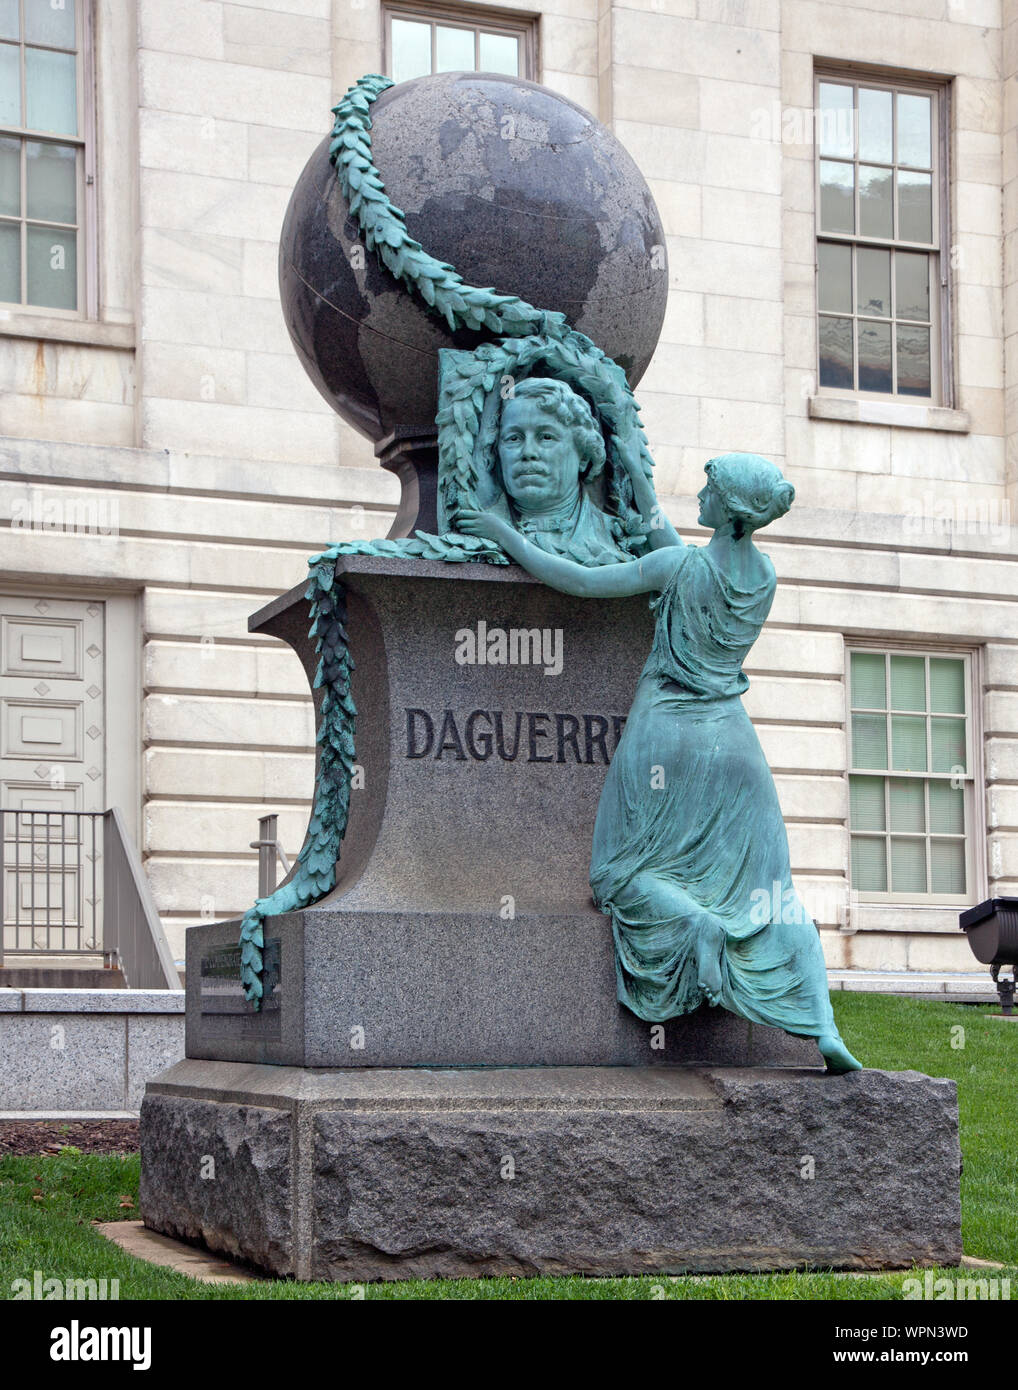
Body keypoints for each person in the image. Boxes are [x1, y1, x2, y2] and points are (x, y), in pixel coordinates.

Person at [459, 451, 862, 1073]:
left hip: (666, 736)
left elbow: (580, 580)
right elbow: (675, 546)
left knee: (620, 875)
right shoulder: (762, 577)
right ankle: (821, 1021)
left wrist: (505, 534)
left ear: (727, 507)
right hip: (735, 751)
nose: (697, 495)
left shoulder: (678, 567)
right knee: (767, 895)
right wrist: (635, 474)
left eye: (708, 488)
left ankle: (697, 937)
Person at [473, 376, 662, 565]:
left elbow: (674, 555)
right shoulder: (477, 524)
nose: (528, 452)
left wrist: (638, 476)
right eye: (513, 438)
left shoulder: (617, 532)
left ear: (584, 456)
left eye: (546, 437)